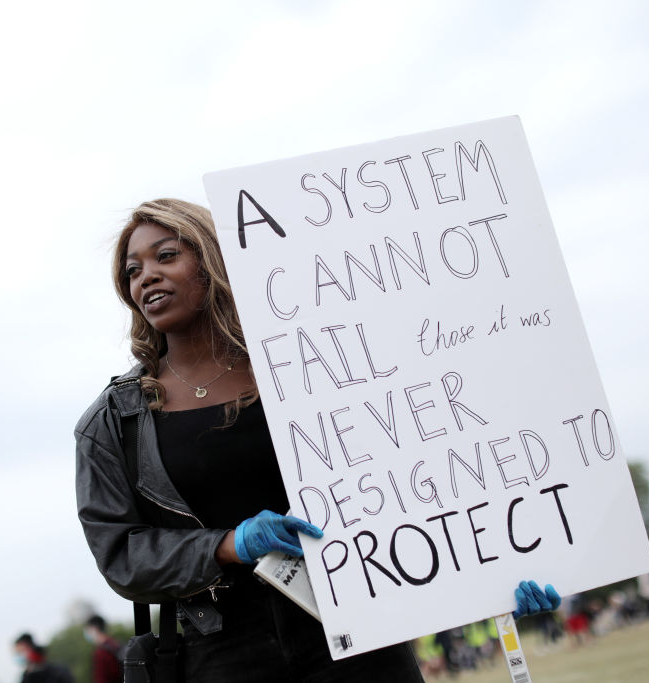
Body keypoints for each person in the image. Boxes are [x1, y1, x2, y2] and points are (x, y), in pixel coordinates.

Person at [75, 198, 560, 683]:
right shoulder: (114, 421)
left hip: (357, 634)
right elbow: (121, 554)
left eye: (166, 256)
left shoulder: (320, 369)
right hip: (222, 652)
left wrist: (493, 580)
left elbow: (415, 485)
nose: (146, 278)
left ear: (212, 261)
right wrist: (228, 545)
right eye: (132, 270)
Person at [83, 614, 122, 683]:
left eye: (88, 629)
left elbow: (101, 679)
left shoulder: (101, 652)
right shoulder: (115, 644)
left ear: (94, 628)